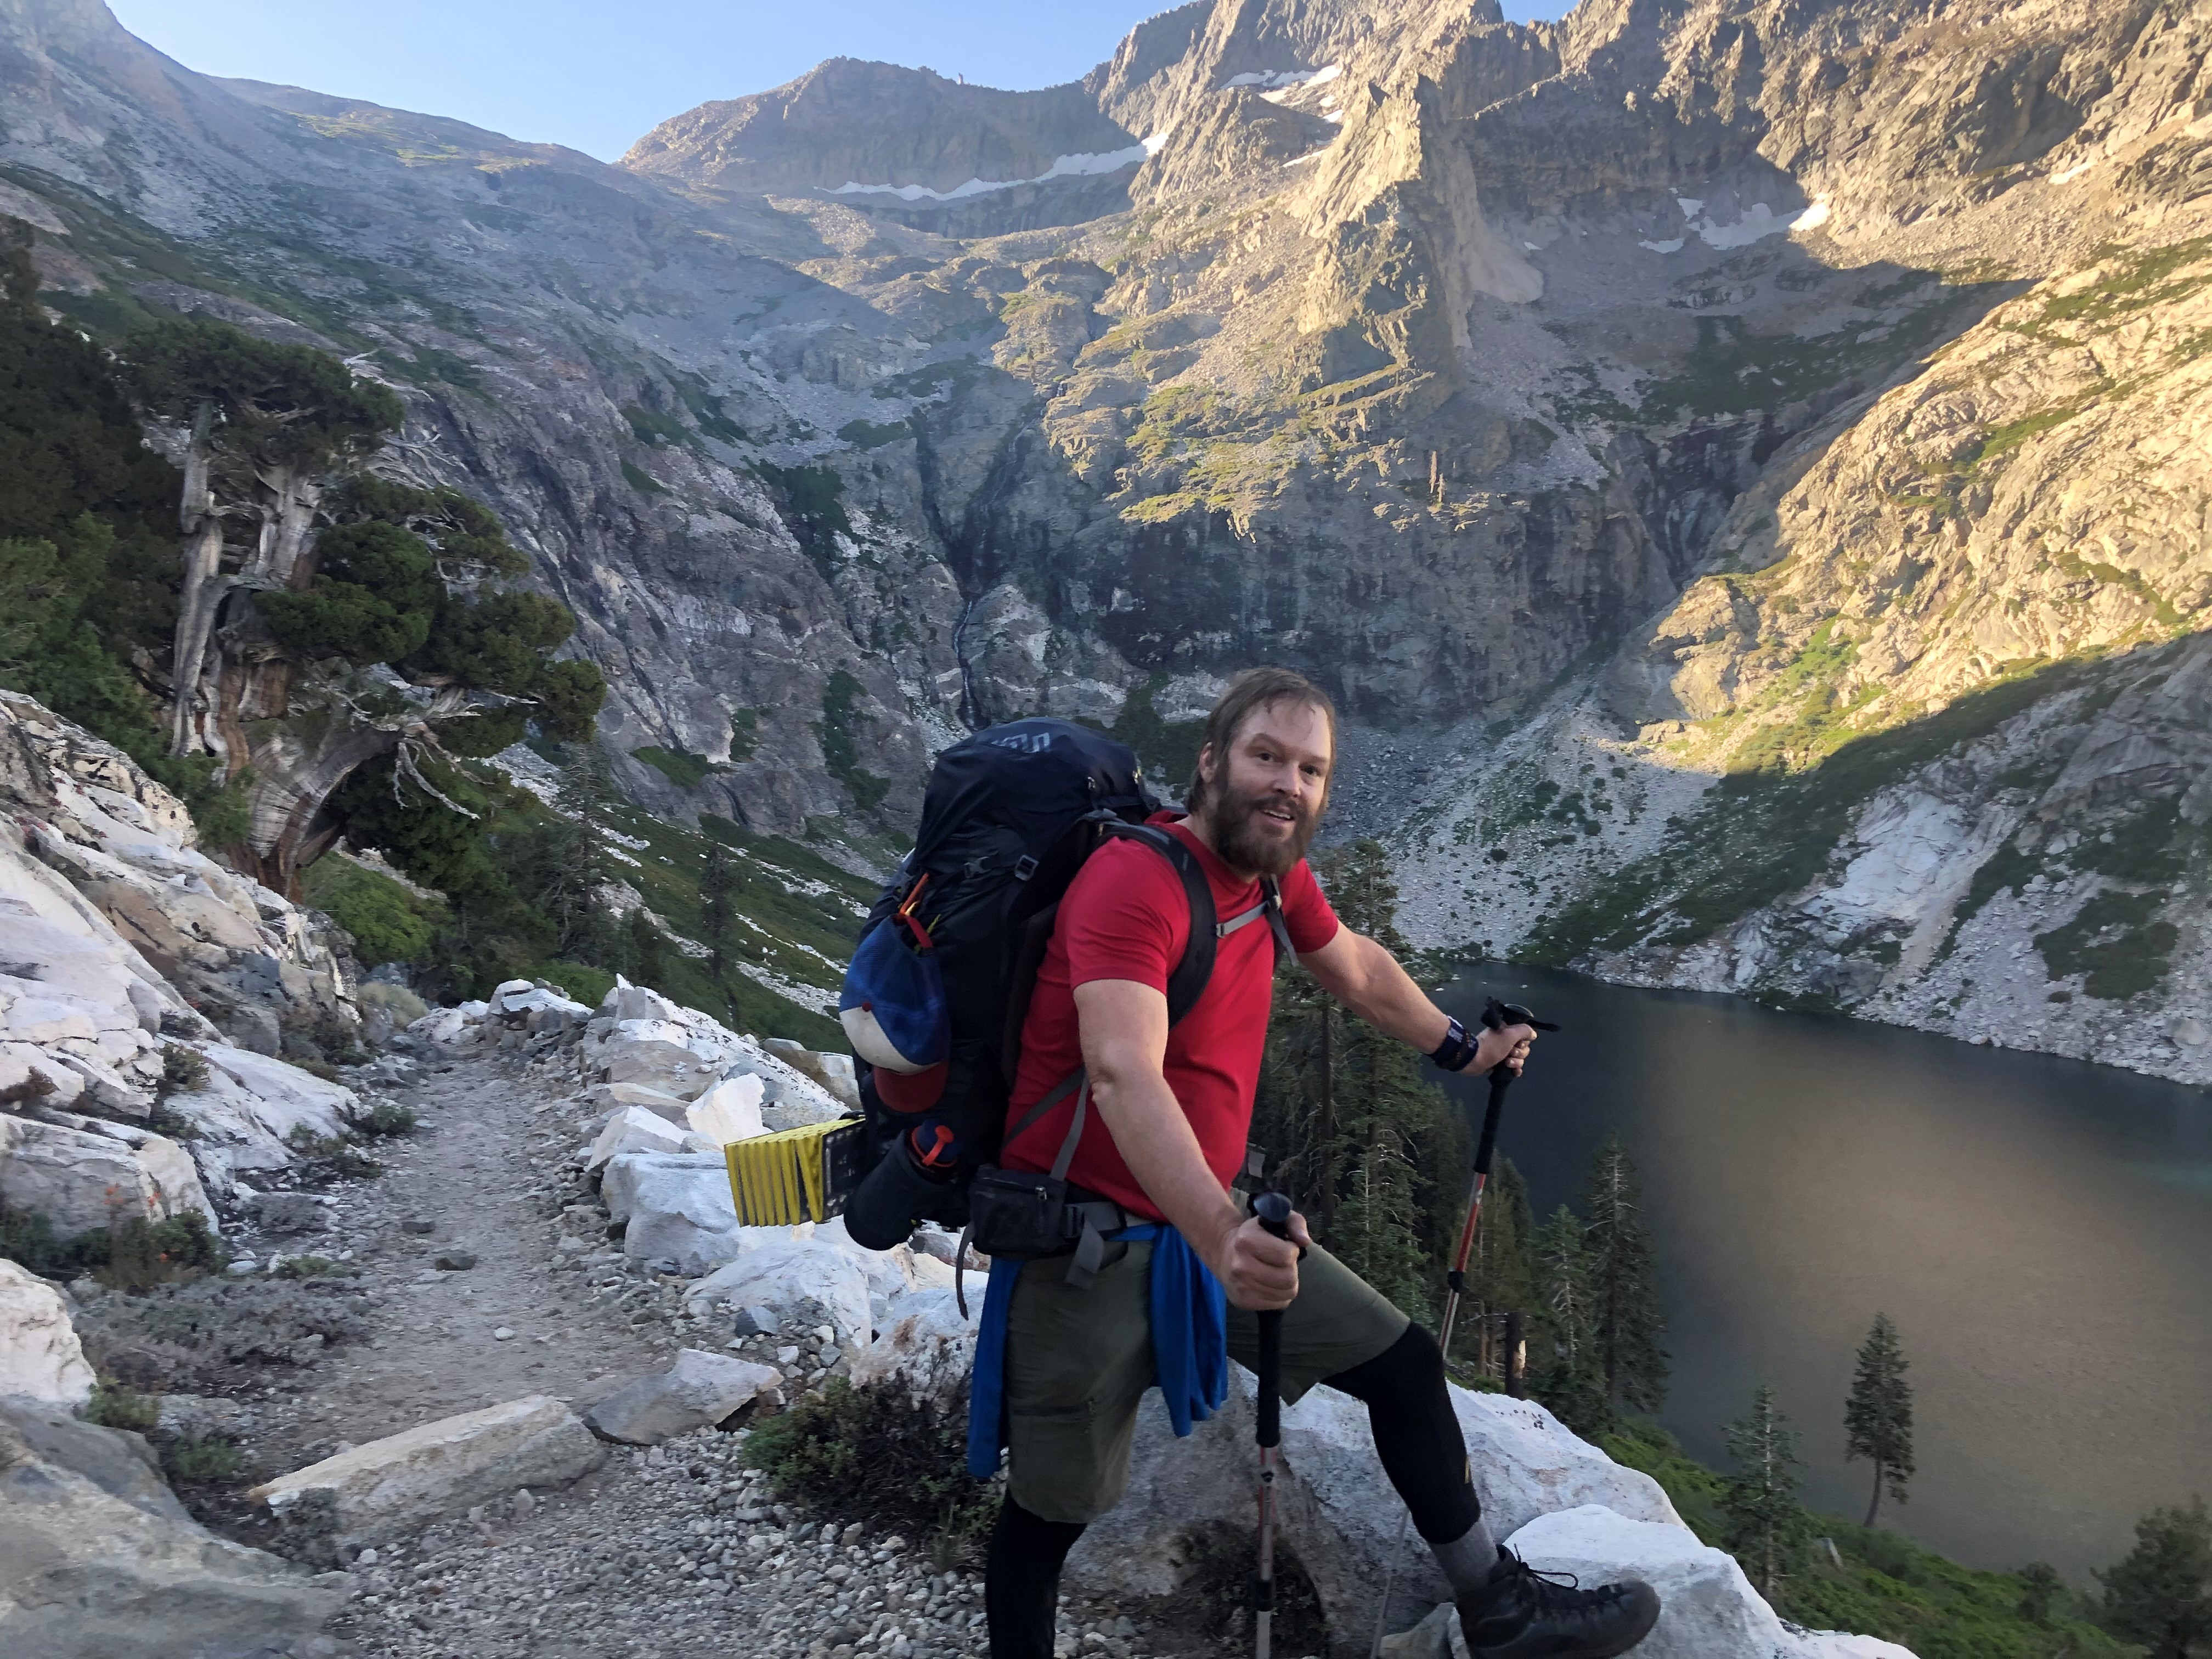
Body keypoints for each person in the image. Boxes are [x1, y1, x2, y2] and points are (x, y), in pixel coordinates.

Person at [973, 667, 1661, 1659]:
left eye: (1310, 768)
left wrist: (1462, 1048)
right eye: (1266, 756)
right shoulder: (1134, 881)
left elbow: (1355, 966)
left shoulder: (1270, 873)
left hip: (1207, 1226)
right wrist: (1220, 1235)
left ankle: (1498, 1611)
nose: (1287, 784)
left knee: (1405, 1365)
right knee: (1051, 1514)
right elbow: (1122, 1074)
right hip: (1090, 1244)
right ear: (1211, 762)